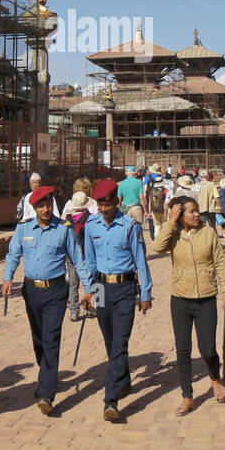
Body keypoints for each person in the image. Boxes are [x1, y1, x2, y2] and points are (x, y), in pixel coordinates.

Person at [4, 185, 89, 414]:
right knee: (38, 339)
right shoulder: (23, 229)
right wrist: (7, 278)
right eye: (41, 205)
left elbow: (79, 260)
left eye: (48, 204)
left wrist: (89, 289)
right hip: (31, 291)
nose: (45, 209)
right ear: (33, 207)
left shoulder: (64, 229)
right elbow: (13, 253)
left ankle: (47, 394)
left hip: (55, 291)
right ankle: (47, 376)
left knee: (51, 339)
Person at [78, 179, 154, 422]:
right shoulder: (91, 226)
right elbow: (89, 260)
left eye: (108, 204)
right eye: (100, 204)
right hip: (101, 288)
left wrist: (146, 294)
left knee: (120, 342)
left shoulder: (130, 226)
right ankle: (124, 381)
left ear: (117, 202)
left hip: (124, 288)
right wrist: (89, 290)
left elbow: (141, 261)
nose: (104, 209)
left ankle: (110, 400)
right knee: (111, 343)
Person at [152, 197, 225, 415]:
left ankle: (215, 377)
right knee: (183, 350)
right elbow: (157, 247)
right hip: (179, 299)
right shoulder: (173, 234)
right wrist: (170, 222)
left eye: (197, 211)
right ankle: (187, 396)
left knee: (207, 349)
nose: (197, 215)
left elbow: (220, 264)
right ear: (180, 215)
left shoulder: (209, 233)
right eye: (191, 212)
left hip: (206, 298)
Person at [60, 181, 99, 322]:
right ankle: (91, 308)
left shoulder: (66, 215)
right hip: (90, 253)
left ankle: (74, 311)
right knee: (93, 279)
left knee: (73, 283)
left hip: (72, 255)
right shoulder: (92, 212)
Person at [142, 164, 168, 239]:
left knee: (152, 219)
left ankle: (152, 236)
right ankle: (162, 237)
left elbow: (145, 190)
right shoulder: (162, 177)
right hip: (161, 201)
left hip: (150, 199)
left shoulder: (147, 177)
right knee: (163, 222)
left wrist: (146, 199)